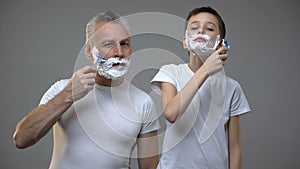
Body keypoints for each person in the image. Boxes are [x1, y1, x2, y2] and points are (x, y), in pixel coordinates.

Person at [13, 11, 160, 169]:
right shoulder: (62, 89)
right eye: (108, 44)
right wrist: (68, 95)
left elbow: (149, 167)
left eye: (124, 44)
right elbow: (21, 139)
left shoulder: (142, 102)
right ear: (89, 52)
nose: (119, 52)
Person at [151, 7, 251, 169]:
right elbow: (171, 113)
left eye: (209, 28)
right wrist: (205, 71)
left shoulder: (231, 87)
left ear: (220, 43)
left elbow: (234, 148)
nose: (201, 31)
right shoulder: (170, 72)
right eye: (194, 27)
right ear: (185, 41)